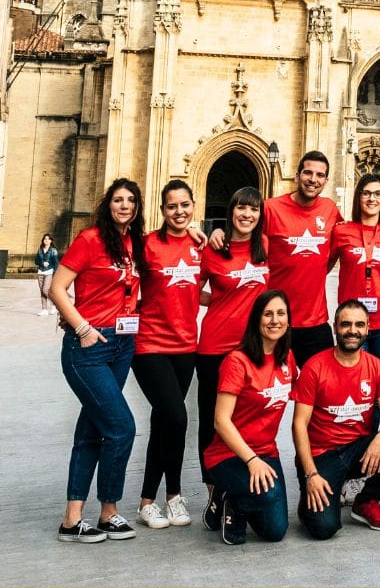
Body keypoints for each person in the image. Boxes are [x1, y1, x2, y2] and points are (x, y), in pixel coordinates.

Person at [49, 178, 147, 543]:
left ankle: (72, 518)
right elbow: (57, 287)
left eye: (131, 200)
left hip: (123, 344)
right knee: (121, 426)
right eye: (118, 200)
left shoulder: (136, 243)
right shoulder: (90, 239)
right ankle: (109, 510)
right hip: (89, 346)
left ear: (137, 207)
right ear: (108, 205)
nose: (124, 205)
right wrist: (82, 328)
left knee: (91, 430)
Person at [292, 299, 380, 538]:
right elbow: (298, 424)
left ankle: (365, 501)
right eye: (346, 324)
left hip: (358, 449)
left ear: (368, 328)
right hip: (322, 454)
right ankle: (310, 501)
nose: (352, 331)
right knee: (323, 528)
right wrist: (311, 474)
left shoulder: (376, 367)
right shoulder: (314, 367)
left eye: (359, 325)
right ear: (335, 327)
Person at [197, 185, 269, 530]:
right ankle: (214, 490)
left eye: (253, 209)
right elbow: (188, 286)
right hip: (214, 347)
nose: (247, 215)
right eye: (241, 208)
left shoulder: (266, 248)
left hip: (251, 350)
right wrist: (217, 301)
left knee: (242, 418)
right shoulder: (214, 249)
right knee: (213, 422)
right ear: (231, 211)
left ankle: (235, 483)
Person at [131, 179, 202, 529]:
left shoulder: (199, 247)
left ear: (194, 205)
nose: (179, 212)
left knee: (163, 421)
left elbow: (201, 291)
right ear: (162, 210)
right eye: (172, 206)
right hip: (149, 346)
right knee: (176, 417)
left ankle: (149, 501)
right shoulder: (147, 246)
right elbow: (124, 285)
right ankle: (172, 494)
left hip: (186, 346)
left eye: (185, 205)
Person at [204, 289, 297, 545]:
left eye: (281, 314)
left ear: (288, 320)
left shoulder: (287, 357)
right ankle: (228, 498)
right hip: (229, 455)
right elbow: (221, 421)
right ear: (256, 319)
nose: (274, 320)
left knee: (275, 531)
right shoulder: (237, 361)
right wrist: (252, 460)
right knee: (266, 496)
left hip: (267, 452)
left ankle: (232, 499)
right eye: (267, 314)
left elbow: (305, 392)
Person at [259, 150, 343, 369]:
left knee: (321, 390)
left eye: (320, 175)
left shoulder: (330, 210)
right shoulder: (270, 208)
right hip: (275, 319)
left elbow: (345, 240)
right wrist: (219, 234)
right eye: (307, 173)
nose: (313, 179)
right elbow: (243, 235)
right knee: (265, 390)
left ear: (325, 180)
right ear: (297, 177)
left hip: (314, 321)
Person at [330, 173, 380, 369]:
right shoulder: (341, 231)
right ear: (358, 197)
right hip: (351, 321)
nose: (372, 199)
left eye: (378, 194)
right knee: (355, 378)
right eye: (367, 193)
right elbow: (323, 266)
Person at [35, 232, 59, 315]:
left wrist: (55, 274)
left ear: (51, 241)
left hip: (49, 272)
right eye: (45, 239)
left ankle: (53, 305)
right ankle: (44, 309)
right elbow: (36, 261)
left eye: (48, 239)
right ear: (43, 240)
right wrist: (42, 263)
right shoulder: (40, 250)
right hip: (40, 272)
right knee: (42, 291)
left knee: (45, 290)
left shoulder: (53, 251)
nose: (46, 240)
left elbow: (56, 263)